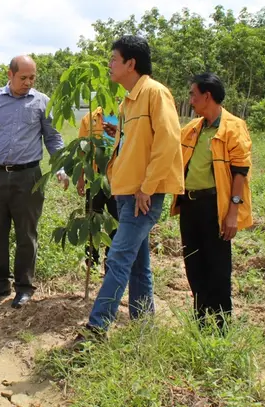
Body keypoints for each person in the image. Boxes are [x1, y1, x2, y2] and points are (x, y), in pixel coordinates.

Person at [75, 35, 183, 344]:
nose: (109, 65)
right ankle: (143, 327)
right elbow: (125, 147)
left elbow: (167, 142)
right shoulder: (127, 103)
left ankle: (97, 328)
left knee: (118, 258)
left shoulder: (155, 93)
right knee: (137, 263)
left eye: (113, 59)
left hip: (141, 195)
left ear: (130, 64)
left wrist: (147, 188)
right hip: (125, 193)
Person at [0, 55, 68, 309]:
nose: (28, 82)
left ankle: (24, 286)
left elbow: (53, 138)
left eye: (32, 77)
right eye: (23, 77)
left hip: (28, 176)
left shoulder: (41, 101)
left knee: (26, 232)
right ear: (10, 74)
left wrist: (61, 166)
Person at [170, 73, 253, 329]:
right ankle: (201, 320)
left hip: (215, 206)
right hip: (190, 205)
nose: (190, 100)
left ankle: (221, 324)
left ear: (207, 96)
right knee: (193, 263)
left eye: (193, 94)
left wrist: (232, 213)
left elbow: (240, 172)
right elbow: (168, 145)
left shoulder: (233, 127)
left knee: (217, 267)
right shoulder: (193, 129)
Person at [75, 106, 119, 272]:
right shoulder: (90, 118)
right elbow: (82, 150)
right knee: (92, 219)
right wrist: (81, 177)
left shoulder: (126, 114)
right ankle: (91, 260)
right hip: (95, 178)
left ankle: (111, 260)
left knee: (116, 221)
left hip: (118, 179)